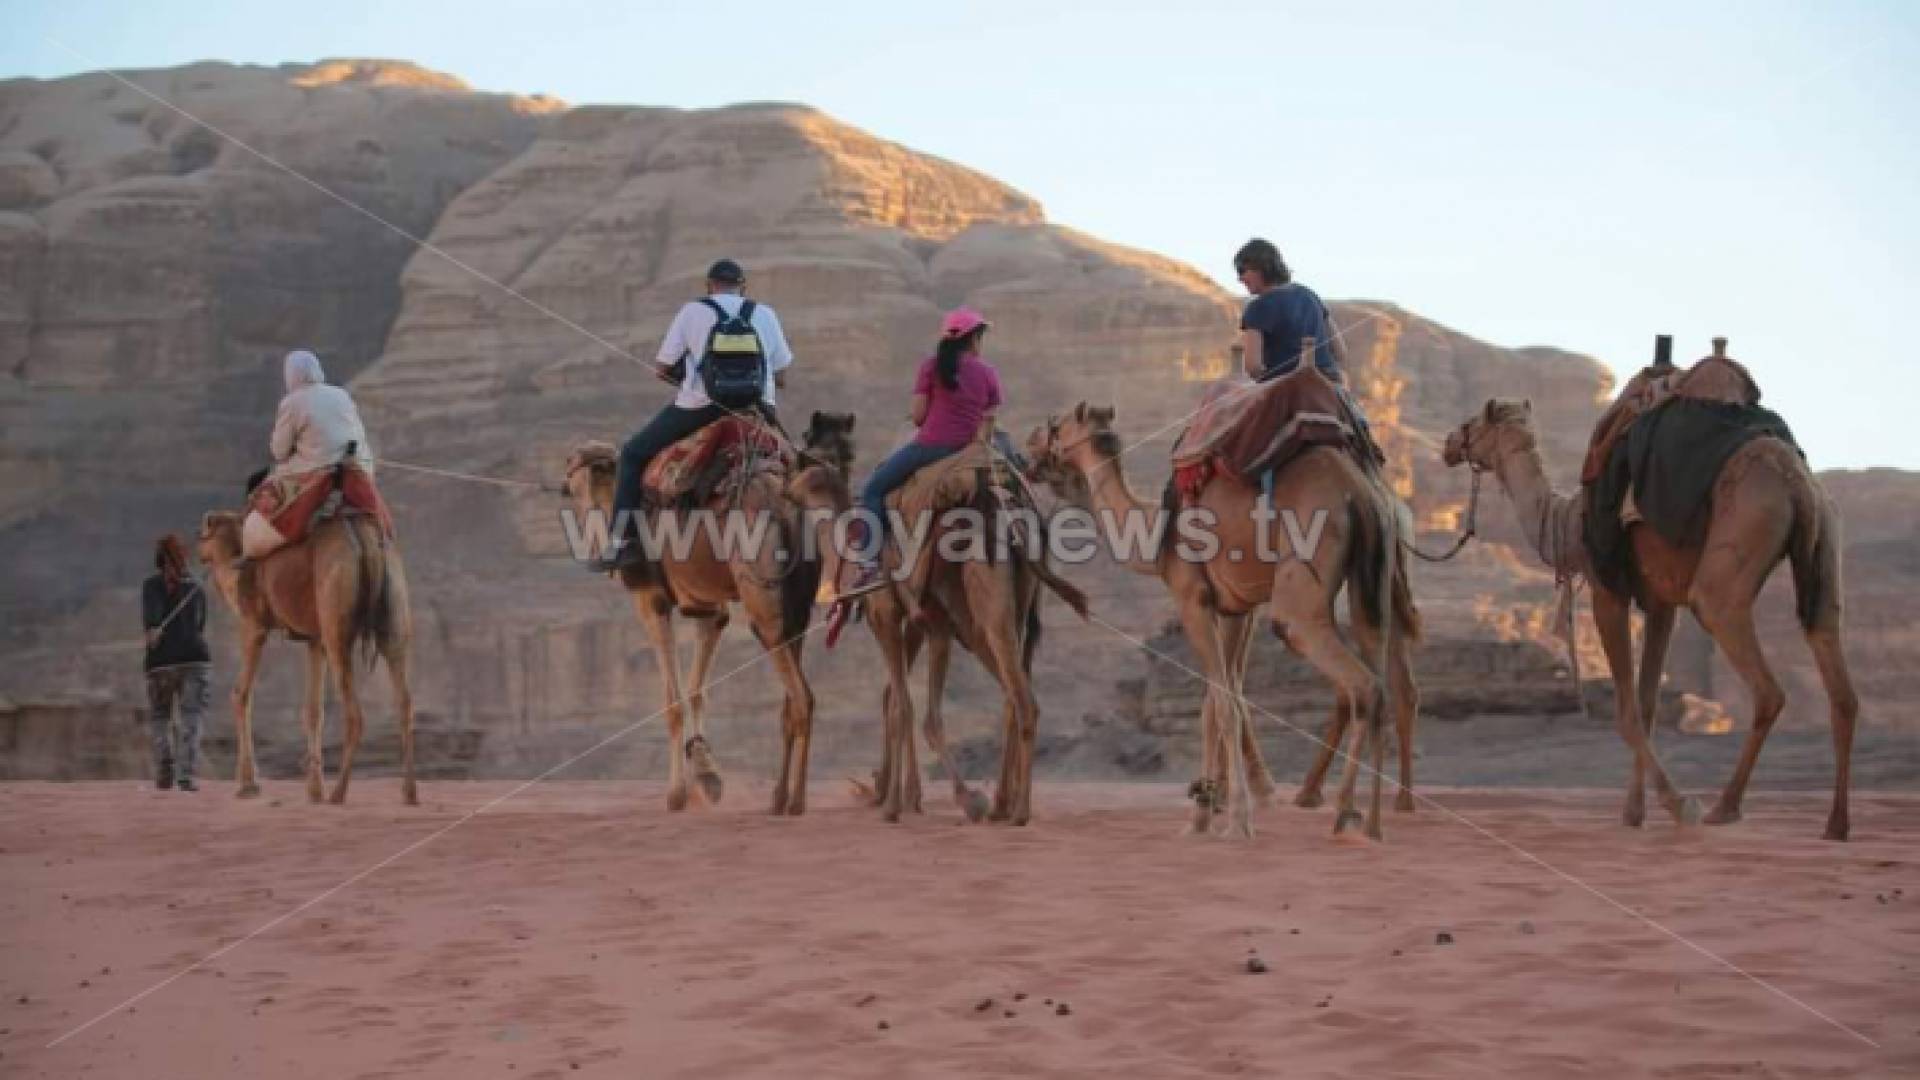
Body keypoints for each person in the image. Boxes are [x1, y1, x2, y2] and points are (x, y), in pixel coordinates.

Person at [597, 258, 795, 572]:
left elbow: (662, 368)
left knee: (633, 454)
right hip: (758, 408)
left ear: (709, 286)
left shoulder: (693, 311)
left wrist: (690, 375)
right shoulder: (765, 314)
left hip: (700, 407)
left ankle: (622, 542)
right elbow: (781, 374)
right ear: (743, 287)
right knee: (797, 465)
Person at [841, 307, 1002, 598]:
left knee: (873, 488)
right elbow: (988, 423)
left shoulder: (931, 367)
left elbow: (917, 417)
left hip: (930, 447)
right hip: (968, 450)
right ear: (974, 338)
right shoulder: (989, 373)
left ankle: (869, 563)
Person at [242, 349, 375, 560]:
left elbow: (279, 451)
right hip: (358, 468)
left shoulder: (292, 402)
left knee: (261, 510)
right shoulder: (341, 394)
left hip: (316, 473)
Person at [142, 534, 211, 791]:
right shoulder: (196, 587)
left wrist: (155, 633)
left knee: (160, 716)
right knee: (191, 717)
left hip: (160, 663)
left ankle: (164, 772)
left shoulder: (150, 586)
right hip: (196, 659)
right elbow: (200, 624)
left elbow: (152, 621)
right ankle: (186, 776)